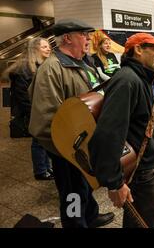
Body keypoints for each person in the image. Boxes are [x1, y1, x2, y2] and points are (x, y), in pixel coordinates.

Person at [28, 19, 114, 228]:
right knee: (72, 194)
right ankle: (75, 224)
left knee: (84, 185)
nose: (88, 39)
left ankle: (91, 216)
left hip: (85, 143)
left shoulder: (83, 62)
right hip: (68, 150)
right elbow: (45, 120)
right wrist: (71, 149)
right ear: (67, 38)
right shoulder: (51, 70)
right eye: (83, 35)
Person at [89, 33, 154, 228]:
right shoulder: (127, 80)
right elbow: (108, 134)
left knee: (145, 220)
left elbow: (144, 122)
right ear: (138, 50)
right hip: (139, 173)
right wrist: (114, 182)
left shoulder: (142, 77)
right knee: (141, 223)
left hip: (146, 165)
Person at [3, 37, 53, 180]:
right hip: (34, 111)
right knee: (38, 141)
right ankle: (41, 171)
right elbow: (23, 97)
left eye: (48, 46)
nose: (48, 49)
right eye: (44, 47)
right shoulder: (24, 70)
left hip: (41, 109)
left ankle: (47, 168)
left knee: (43, 140)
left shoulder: (40, 65)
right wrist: (36, 113)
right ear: (35, 49)